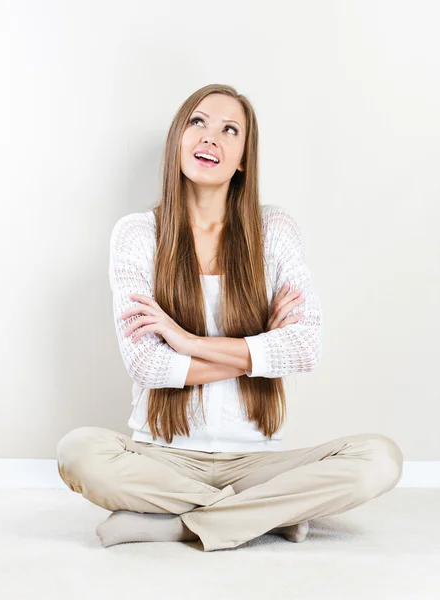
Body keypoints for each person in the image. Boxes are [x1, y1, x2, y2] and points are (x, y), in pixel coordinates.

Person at [56, 84, 403, 552]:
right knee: (77, 452)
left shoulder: (274, 229)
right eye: (197, 122)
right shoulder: (138, 233)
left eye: (229, 130)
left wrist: (186, 341)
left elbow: (305, 347)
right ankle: (265, 514)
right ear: (178, 139)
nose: (210, 138)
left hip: (256, 461)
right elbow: (148, 365)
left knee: (379, 458)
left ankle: (178, 523)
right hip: (163, 455)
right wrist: (262, 346)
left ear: (243, 159)